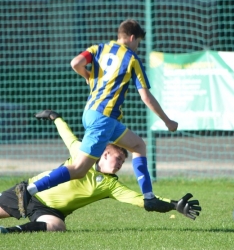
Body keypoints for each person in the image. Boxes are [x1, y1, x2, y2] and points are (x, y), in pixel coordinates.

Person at [17, 19, 178, 217]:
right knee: (78, 169)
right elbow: (145, 96)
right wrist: (167, 121)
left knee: (138, 145)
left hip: (95, 114)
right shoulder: (132, 59)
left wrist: (87, 76)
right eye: (139, 42)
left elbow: (75, 63)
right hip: (104, 118)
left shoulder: (99, 48)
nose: (138, 47)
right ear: (133, 38)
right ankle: (30, 190)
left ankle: (149, 196)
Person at [0, 110, 200, 233]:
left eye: (123, 160)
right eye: (118, 157)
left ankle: (8, 232)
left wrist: (174, 205)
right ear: (104, 153)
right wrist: (55, 117)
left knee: (57, 227)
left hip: (51, 211)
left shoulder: (110, 185)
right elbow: (68, 136)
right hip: (28, 191)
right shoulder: (82, 153)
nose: (121, 162)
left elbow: (141, 200)